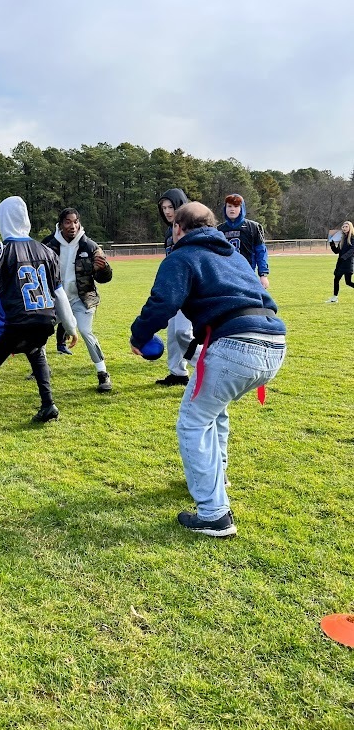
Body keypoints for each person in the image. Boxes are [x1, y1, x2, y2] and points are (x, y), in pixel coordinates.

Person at [130, 201, 286, 538]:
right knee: (214, 410)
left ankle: (215, 514)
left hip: (236, 345)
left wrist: (139, 337)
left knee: (193, 421)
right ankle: (218, 477)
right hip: (274, 342)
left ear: (178, 229)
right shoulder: (234, 257)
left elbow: (163, 303)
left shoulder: (181, 256)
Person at [0, 196, 78, 440]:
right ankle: (48, 404)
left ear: (2, 219)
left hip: (12, 325)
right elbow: (59, 293)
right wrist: (71, 326)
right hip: (44, 322)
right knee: (37, 352)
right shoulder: (47, 251)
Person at [42, 208, 113, 391]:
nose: (72, 226)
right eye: (68, 222)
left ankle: (103, 373)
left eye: (75, 221)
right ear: (60, 224)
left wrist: (102, 269)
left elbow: (105, 278)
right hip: (56, 299)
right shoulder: (48, 245)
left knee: (85, 330)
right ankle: (41, 368)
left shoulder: (90, 246)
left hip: (82, 299)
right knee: (40, 331)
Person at [154, 187, 199, 387]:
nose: (167, 211)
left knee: (182, 332)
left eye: (171, 206)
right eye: (163, 208)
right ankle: (178, 373)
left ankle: (209, 366)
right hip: (174, 289)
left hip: (190, 290)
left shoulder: (193, 229)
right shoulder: (168, 233)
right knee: (172, 333)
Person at [217, 194, 270, 288]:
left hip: (247, 273)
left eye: (236, 206)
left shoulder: (253, 227)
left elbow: (261, 252)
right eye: (229, 206)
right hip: (226, 275)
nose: (232, 209)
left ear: (242, 208)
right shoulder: (219, 230)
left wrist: (263, 275)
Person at [326, 221, 354, 303]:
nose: (344, 228)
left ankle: (335, 298)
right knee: (337, 279)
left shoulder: (352, 238)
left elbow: (352, 250)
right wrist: (332, 244)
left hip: (348, 263)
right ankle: (335, 298)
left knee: (348, 282)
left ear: (350, 228)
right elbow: (336, 251)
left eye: (346, 226)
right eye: (343, 227)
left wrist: (344, 257)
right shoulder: (342, 239)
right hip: (341, 263)